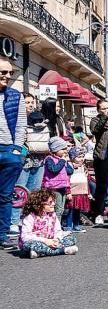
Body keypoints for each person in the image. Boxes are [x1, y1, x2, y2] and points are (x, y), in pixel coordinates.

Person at [0, 58, 29, 249]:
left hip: (8, 151)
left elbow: (20, 124)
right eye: (3, 72)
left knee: (5, 196)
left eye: (10, 72)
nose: (8, 76)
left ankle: (2, 236)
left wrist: (17, 149)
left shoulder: (15, 95)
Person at [10, 93, 47, 236]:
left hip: (39, 159)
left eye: (32, 102)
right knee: (19, 191)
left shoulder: (39, 118)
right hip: (23, 160)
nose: (30, 105)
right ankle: (14, 221)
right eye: (27, 102)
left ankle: (30, 220)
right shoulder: (16, 119)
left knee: (34, 191)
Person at [17, 189, 77, 258]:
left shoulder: (53, 215)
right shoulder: (30, 217)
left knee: (72, 239)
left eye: (54, 201)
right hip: (38, 242)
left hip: (50, 241)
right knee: (29, 245)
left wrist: (56, 239)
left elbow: (58, 231)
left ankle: (40, 252)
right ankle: (62, 251)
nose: (53, 204)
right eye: (50, 202)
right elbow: (25, 237)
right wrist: (45, 241)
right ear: (39, 204)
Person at [42, 136, 73, 222]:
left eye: (65, 149)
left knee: (61, 209)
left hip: (63, 187)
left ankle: (57, 227)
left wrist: (66, 161)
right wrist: (62, 162)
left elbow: (70, 171)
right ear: (55, 150)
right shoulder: (49, 159)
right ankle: (55, 228)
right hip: (54, 188)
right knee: (57, 209)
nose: (65, 151)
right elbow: (54, 169)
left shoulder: (62, 160)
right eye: (62, 149)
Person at [64, 147, 90, 233]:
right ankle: (68, 225)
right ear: (72, 157)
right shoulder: (69, 167)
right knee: (70, 210)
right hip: (73, 192)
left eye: (82, 156)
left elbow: (86, 180)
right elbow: (66, 180)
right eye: (79, 157)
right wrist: (68, 192)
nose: (81, 159)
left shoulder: (83, 167)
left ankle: (76, 225)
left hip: (81, 192)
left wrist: (88, 192)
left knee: (78, 210)